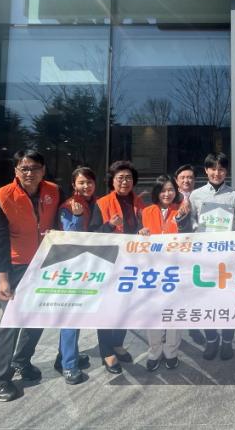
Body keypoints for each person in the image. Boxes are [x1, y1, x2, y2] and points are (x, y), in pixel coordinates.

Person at [0, 149, 61, 402]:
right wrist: (2, 279)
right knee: (11, 322)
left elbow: (61, 220)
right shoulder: (0, 197)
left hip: (44, 264)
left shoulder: (53, 191)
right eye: (24, 168)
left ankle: (22, 361)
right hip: (14, 266)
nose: (29, 173)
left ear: (43, 170)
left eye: (35, 168)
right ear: (16, 170)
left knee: (38, 316)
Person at [89, 160, 145, 374]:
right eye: (120, 178)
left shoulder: (140, 203)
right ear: (112, 181)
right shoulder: (102, 203)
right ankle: (106, 351)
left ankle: (118, 343)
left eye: (128, 178)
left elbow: (146, 228)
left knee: (126, 306)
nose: (125, 182)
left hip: (133, 264)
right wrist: (110, 225)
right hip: (109, 263)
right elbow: (92, 235)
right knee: (106, 308)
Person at [189, 152, 235, 360]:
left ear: (226, 171)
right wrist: (201, 230)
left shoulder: (234, 195)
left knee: (229, 299)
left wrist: (229, 236)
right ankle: (211, 339)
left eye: (221, 169)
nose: (217, 173)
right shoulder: (196, 195)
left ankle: (227, 341)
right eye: (213, 168)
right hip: (204, 257)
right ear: (206, 170)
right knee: (206, 298)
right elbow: (191, 221)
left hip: (227, 257)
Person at [139, 175, 190, 371]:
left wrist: (182, 220)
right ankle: (154, 351)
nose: (167, 194)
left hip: (175, 269)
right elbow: (138, 240)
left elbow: (189, 237)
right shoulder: (147, 211)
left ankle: (171, 351)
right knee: (153, 312)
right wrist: (141, 234)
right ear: (157, 192)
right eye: (163, 190)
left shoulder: (181, 211)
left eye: (170, 190)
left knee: (173, 312)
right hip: (152, 270)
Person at [55, 166, 98, 385]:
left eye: (89, 182)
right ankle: (69, 366)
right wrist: (78, 216)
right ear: (74, 185)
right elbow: (70, 236)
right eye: (81, 182)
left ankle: (64, 357)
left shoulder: (92, 203)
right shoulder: (70, 206)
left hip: (85, 266)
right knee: (71, 315)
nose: (86, 186)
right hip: (70, 268)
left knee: (76, 313)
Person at [174, 164, 206, 347]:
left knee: (195, 290)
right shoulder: (169, 196)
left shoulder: (200, 197)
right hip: (176, 252)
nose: (187, 180)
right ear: (177, 180)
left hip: (198, 251)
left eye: (190, 178)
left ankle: (194, 327)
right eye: (183, 177)